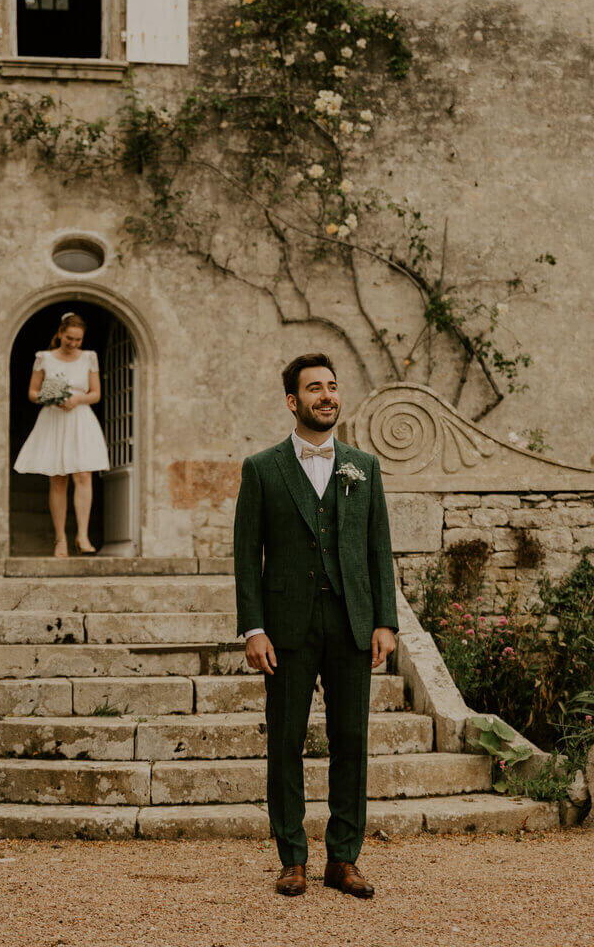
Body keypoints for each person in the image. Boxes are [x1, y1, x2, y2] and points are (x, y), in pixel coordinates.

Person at [232, 352, 399, 899]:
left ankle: (343, 859)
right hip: (286, 628)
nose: (326, 395)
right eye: (314, 388)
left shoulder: (364, 467)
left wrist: (385, 623)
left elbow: (379, 550)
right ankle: (292, 859)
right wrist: (252, 628)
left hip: (352, 623)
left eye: (332, 386)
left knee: (351, 740)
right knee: (285, 742)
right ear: (292, 401)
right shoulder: (262, 468)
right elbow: (245, 555)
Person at [13, 311, 110, 556]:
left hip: (80, 417)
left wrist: (78, 398)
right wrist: (52, 398)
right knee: (57, 478)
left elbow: (96, 393)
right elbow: (32, 392)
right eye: (69, 338)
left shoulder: (89, 357)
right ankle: (60, 540)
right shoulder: (43, 358)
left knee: (84, 475)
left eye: (78, 340)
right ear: (60, 333)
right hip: (54, 418)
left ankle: (83, 536)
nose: (74, 343)